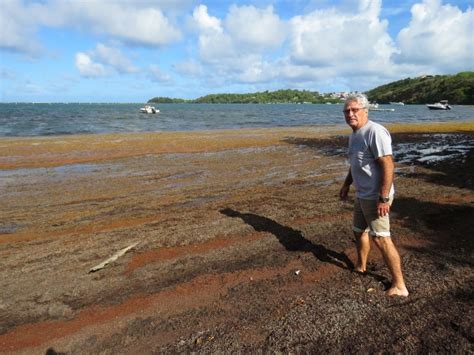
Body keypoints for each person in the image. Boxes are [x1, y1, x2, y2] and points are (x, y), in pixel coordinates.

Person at [339, 93, 408, 297]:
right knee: (358, 231)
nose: (350, 114)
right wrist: (346, 185)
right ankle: (361, 266)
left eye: (354, 110)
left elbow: (387, 164)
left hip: (376, 196)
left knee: (381, 238)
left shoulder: (374, 132)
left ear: (365, 111)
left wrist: (384, 197)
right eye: (347, 111)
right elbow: (356, 164)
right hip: (362, 194)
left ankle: (399, 285)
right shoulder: (354, 134)